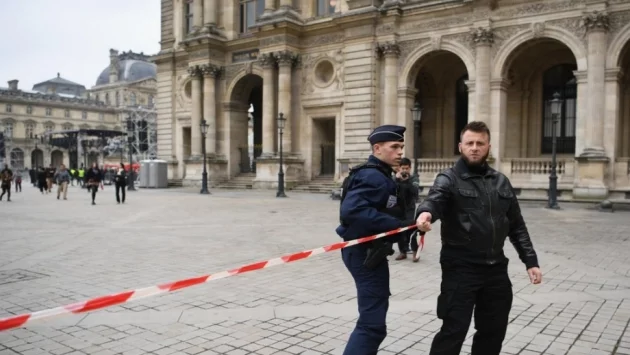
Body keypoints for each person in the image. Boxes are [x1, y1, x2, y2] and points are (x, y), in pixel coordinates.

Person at [415, 121, 542, 355]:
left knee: (493, 332)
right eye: (470, 143)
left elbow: (517, 226)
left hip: (496, 270)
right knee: (454, 330)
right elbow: (435, 199)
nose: (474, 147)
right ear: (460, 146)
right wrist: (425, 214)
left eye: (480, 143)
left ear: (488, 147)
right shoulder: (449, 178)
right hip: (460, 268)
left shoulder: (501, 181)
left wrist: (530, 261)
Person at [336, 125, 421, 355]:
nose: (400, 152)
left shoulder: (379, 173)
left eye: (401, 147)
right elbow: (351, 212)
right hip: (365, 253)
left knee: (373, 319)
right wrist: (399, 226)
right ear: (377, 148)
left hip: (369, 251)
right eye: (394, 147)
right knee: (372, 326)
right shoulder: (373, 176)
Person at [393, 158, 420, 262]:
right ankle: (403, 252)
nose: (405, 171)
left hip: (410, 208)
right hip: (399, 208)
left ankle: (415, 251)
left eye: (407, 168)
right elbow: (392, 190)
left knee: (411, 229)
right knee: (400, 229)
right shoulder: (395, 178)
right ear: (399, 168)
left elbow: (415, 192)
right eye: (403, 168)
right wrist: (396, 179)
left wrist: (407, 181)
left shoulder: (414, 178)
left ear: (410, 168)